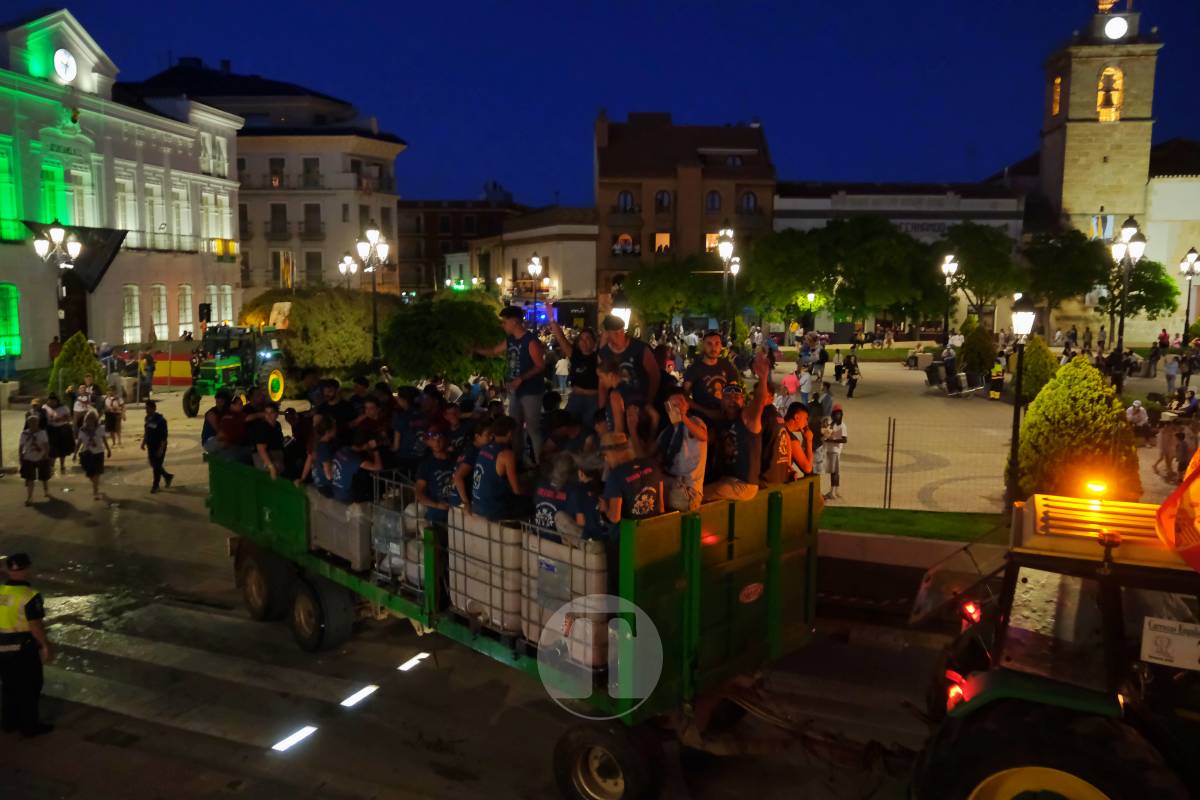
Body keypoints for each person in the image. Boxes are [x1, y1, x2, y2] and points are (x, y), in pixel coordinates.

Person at [476, 306, 546, 467]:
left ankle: (540, 463)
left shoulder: (530, 340)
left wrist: (521, 378)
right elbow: (494, 351)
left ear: (514, 322)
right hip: (516, 390)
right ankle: (517, 460)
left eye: (505, 322)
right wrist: (476, 349)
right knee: (514, 427)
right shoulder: (511, 340)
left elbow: (540, 365)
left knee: (533, 428)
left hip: (531, 391)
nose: (503, 325)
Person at [703, 354, 772, 502]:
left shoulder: (747, 419)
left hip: (744, 485)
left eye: (737, 397)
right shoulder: (722, 421)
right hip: (727, 480)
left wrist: (763, 378)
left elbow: (759, 402)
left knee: (698, 497)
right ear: (721, 401)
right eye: (728, 397)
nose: (733, 400)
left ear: (743, 401)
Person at [0, 553, 54, 737]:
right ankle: (29, 727)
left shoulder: (1, 592)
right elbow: (35, 625)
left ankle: (9, 722)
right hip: (23, 648)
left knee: (9, 685)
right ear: (28, 569)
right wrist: (45, 645)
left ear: (7, 570)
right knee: (30, 687)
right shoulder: (30, 595)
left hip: (1, 646)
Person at [597, 314, 660, 422]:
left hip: (640, 401)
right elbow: (602, 383)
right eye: (615, 333)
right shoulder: (605, 353)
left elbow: (654, 375)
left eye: (621, 331)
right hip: (618, 402)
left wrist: (649, 401)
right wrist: (601, 409)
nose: (620, 335)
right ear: (607, 333)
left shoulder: (639, 348)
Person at [600, 432, 664, 537]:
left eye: (605, 455)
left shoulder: (616, 476)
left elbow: (614, 518)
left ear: (613, 452)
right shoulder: (652, 465)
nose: (606, 460)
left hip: (629, 539)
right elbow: (661, 507)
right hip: (654, 532)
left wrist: (605, 508)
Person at [656, 389, 707, 512]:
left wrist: (683, 416)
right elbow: (649, 454)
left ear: (687, 405)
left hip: (688, 489)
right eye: (672, 405)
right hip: (671, 482)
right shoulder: (667, 432)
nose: (676, 408)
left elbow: (703, 436)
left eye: (679, 404)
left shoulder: (694, 422)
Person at [469, 415, 524, 521]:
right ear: (510, 434)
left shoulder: (484, 448)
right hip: (493, 510)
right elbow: (516, 490)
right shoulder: (506, 455)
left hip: (476, 504)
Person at [682, 331, 740, 421]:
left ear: (721, 346)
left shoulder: (726, 365)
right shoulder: (694, 369)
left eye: (717, 344)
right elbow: (684, 397)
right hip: (702, 419)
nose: (713, 348)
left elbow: (734, 391)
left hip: (725, 417)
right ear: (703, 346)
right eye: (709, 344)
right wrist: (707, 412)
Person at [415, 427, 461, 524]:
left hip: (458, 512)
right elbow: (419, 493)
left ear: (446, 439)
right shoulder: (426, 465)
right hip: (437, 515)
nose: (437, 442)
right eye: (433, 440)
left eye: (439, 439)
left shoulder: (456, 459)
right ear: (428, 442)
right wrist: (437, 505)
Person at [331, 429, 384, 503]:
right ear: (365, 444)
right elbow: (378, 467)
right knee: (366, 475)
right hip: (346, 497)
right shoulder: (354, 459)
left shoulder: (342, 450)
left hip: (336, 491)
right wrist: (375, 449)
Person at [74, 411, 111, 499]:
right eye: (88, 418)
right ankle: (96, 483)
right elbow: (79, 442)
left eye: (92, 418)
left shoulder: (100, 428)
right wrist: (75, 453)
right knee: (89, 473)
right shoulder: (82, 429)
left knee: (97, 472)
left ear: (95, 419)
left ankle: (95, 491)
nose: (90, 420)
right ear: (85, 419)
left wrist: (109, 450)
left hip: (98, 453)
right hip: (86, 453)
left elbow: (104, 439)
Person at [141, 399, 173, 493]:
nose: (146, 410)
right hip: (150, 445)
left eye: (148, 408)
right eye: (145, 408)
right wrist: (143, 442)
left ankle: (156, 485)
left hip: (159, 445)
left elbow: (164, 437)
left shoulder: (161, 421)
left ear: (153, 408)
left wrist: (161, 449)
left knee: (156, 466)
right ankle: (167, 476)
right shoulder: (147, 418)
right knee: (153, 464)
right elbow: (146, 431)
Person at [18, 415, 51, 506]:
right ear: (28, 423)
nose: (33, 424)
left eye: (35, 422)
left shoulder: (42, 433)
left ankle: (46, 491)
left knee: (44, 476)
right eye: (30, 422)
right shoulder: (24, 434)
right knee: (30, 478)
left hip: (41, 457)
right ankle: (30, 497)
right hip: (28, 457)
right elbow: (21, 446)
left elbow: (46, 445)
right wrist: (20, 457)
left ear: (38, 423)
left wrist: (46, 455)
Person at [250, 402, 286, 478]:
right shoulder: (262, 427)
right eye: (266, 413)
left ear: (276, 414)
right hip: (262, 457)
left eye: (271, 412)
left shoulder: (277, 425)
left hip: (276, 453)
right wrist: (271, 466)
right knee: (277, 468)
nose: (268, 415)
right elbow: (261, 449)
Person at [43, 394, 73, 476]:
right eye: (50, 401)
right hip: (50, 430)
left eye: (53, 401)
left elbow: (69, 418)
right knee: (52, 449)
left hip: (62, 429)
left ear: (57, 401)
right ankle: (51, 466)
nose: (52, 403)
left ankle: (62, 465)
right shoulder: (45, 408)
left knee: (62, 449)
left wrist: (61, 419)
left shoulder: (64, 408)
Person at [823, 406, 848, 500]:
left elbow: (845, 440)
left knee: (834, 472)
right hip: (829, 450)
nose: (837, 415)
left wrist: (832, 440)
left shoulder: (842, 426)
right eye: (836, 413)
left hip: (835, 451)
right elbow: (825, 434)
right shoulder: (830, 424)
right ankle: (835, 491)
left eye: (839, 414)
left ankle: (833, 492)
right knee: (834, 472)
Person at [784, 402, 814, 477]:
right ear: (796, 417)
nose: (806, 423)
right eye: (805, 419)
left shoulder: (778, 427)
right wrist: (809, 441)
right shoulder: (792, 440)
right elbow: (808, 468)